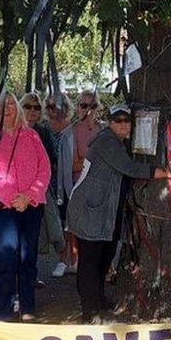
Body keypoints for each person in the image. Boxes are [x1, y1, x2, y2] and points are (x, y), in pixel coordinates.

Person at [66, 104, 169, 324]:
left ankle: (98, 299)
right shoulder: (106, 141)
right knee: (90, 262)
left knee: (104, 259)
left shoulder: (117, 142)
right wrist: (162, 173)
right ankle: (89, 311)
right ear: (110, 122)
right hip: (89, 211)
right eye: (117, 120)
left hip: (105, 213)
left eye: (126, 120)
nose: (122, 124)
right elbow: (129, 168)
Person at [0, 93, 51, 322]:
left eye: (10, 103)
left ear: (16, 107)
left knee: (27, 257)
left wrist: (29, 196)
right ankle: (3, 311)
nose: (7, 108)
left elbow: (45, 167)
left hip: (31, 204)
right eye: (1, 104)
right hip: (2, 207)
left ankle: (28, 306)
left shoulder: (31, 134)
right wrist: (12, 197)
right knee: (6, 258)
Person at [54, 90, 102, 277]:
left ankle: (102, 265)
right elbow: (73, 165)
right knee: (76, 226)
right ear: (77, 107)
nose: (87, 110)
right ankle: (75, 261)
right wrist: (97, 161)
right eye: (83, 105)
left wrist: (88, 160)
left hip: (102, 186)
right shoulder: (69, 133)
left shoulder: (105, 130)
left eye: (92, 106)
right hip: (77, 186)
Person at [22, 92, 65, 289]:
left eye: (36, 107)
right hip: (15, 192)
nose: (32, 111)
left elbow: (52, 159)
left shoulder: (43, 131)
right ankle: (18, 279)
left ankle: (31, 275)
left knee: (36, 234)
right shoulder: (13, 130)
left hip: (39, 190)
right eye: (28, 106)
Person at [42, 93, 73, 278]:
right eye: (51, 107)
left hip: (70, 178)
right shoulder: (45, 130)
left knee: (72, 223)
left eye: (59, 106)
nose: (55, 110)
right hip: (51, 181)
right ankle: (62, 259)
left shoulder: (72, 128)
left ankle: (73, 259)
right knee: (57, 222)